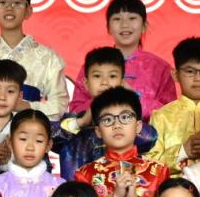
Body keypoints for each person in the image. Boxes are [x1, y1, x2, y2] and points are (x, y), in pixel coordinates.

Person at [74, 87, 169, 197]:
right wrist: (115, 196)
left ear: (138, 126)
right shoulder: (85, 174)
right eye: (107, 120)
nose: (117, 125)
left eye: (125, 117)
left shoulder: (158, 171)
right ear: (98, 131)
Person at [67, 0, 176, 121]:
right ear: (108, 27)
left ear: (144, 26)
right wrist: (102, 99)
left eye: (132, 18)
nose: (124, 24)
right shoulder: (92, 65)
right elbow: (75, 112)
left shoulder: (160, 68)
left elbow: (170, 115)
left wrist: (133, 95)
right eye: (117, 19)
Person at [56, 46, 157, 182]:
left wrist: (130, 100)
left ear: (122, 82)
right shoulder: (73, 121)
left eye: (112, 76)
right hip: (78, 192)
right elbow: (50, 138)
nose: (104, 82)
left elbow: (150, 138)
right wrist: (82, 122)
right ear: (86, 83)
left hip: (121, 189)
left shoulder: (127, 121)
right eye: (97, 76)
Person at [147, 38, 200, 171]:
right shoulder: (161, 116)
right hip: (173, 183)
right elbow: (150, 165)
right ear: (175, 74)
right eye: (190, 71)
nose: (198, 78)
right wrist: (183, 151)